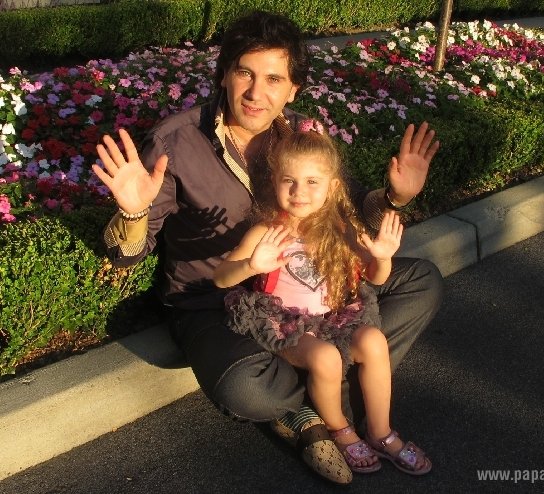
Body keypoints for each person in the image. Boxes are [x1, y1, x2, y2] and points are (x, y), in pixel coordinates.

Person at [92, 10, 442, 485]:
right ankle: (318, 399)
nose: (256, 93)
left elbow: (352, 207)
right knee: (244, 388)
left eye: (274, 79)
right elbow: (127, 254)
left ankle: (321, 385)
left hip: (313, 289)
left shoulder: (304, 135)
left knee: (421, 280)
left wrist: (395, 198)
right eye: (245, 73)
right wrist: (134, 212)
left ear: (293, 89)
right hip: (215, 300)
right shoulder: (175, 143)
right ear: (224, 74)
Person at [213, 123, 432, 475]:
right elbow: (221, 277)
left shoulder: (343, 230)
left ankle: (380, 431)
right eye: (289, 180)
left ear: (332, 188)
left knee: (374, 341)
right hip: (284, 323)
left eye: (312, 182)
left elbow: (375, 278)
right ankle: (340, 428)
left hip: (332, 318)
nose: (299, 191)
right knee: (327, 358)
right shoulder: (266, 232)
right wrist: (250, 265)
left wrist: (383, 257)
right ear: (275, 182)